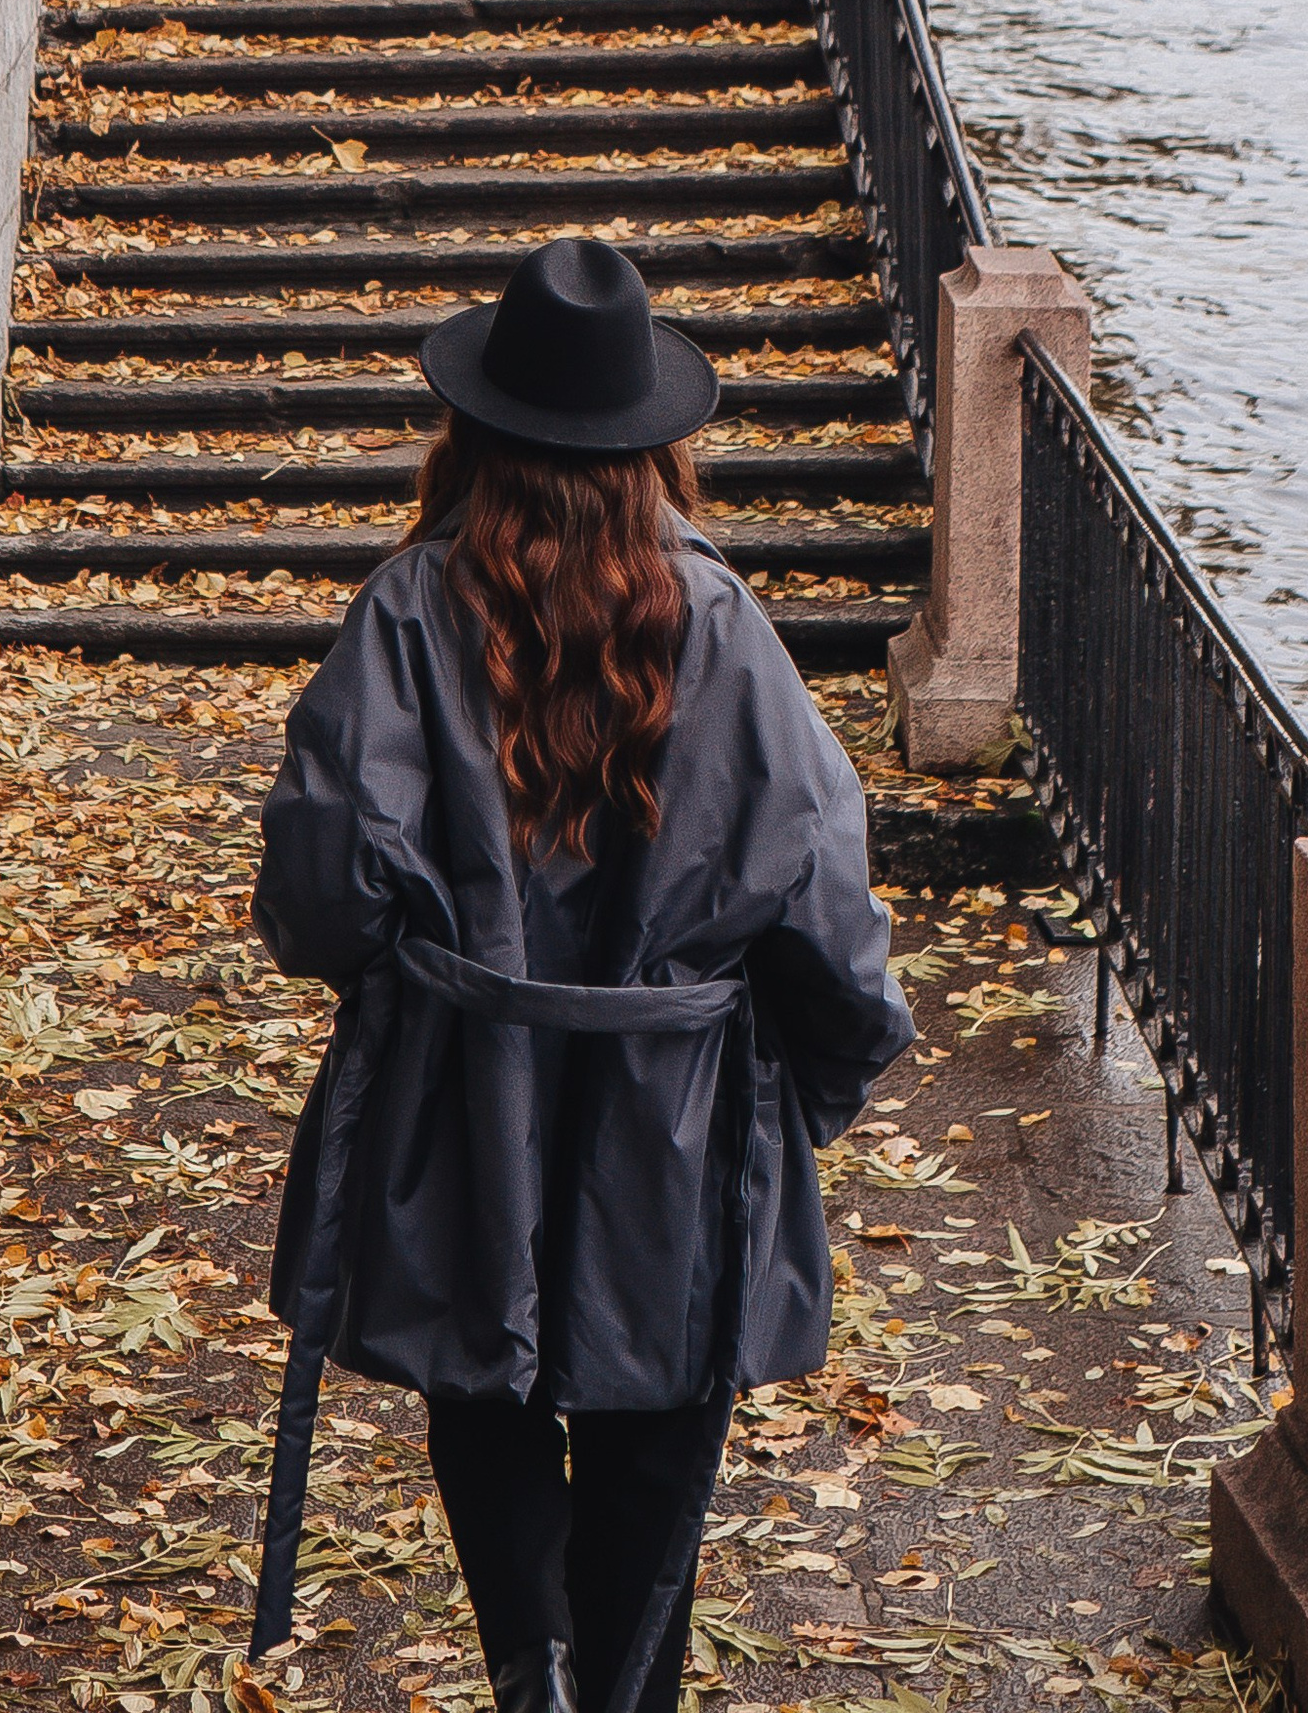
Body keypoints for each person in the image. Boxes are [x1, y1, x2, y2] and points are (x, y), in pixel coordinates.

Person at [250, 234, 914, 1713]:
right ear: (651, 452)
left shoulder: (410, 611)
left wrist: (412, 982)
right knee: (658, 1421)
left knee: (485, 1394)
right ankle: (614, 1690)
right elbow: (824, 896)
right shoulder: (725, 626)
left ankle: (531, 1671)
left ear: (473, 429)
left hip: (456, 1107)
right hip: (677, 1121)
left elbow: (313, 887)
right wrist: (805, 1089)